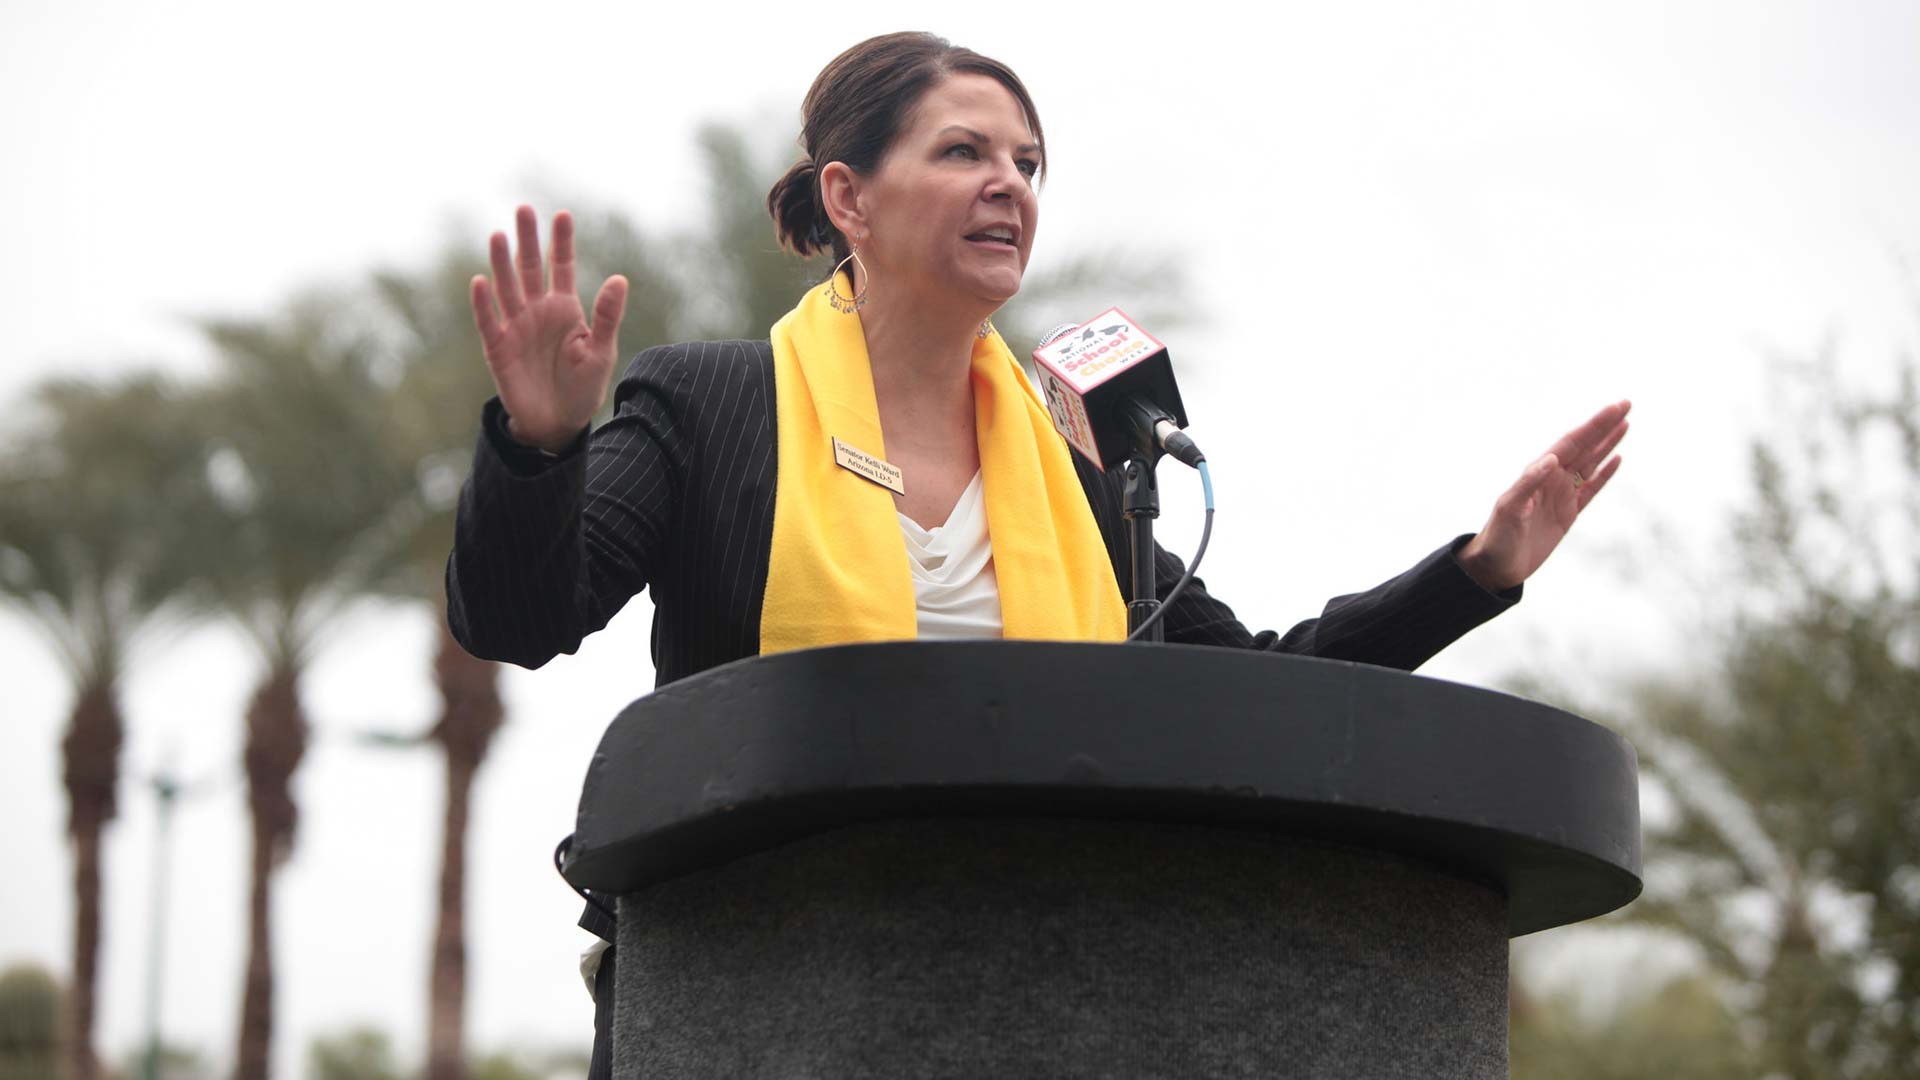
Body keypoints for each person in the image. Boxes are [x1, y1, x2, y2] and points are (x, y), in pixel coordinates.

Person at [447, 30, 1628, 1078]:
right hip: (759, 989)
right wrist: (543, 445)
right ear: (849, 198)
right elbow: (518, 621)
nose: (1008, 183)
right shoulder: (713, 401)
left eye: (1027, 162)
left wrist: (1476, 570)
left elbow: (1257, 683)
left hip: (1044, 993)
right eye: (964, 153)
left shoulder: (1074, 461)